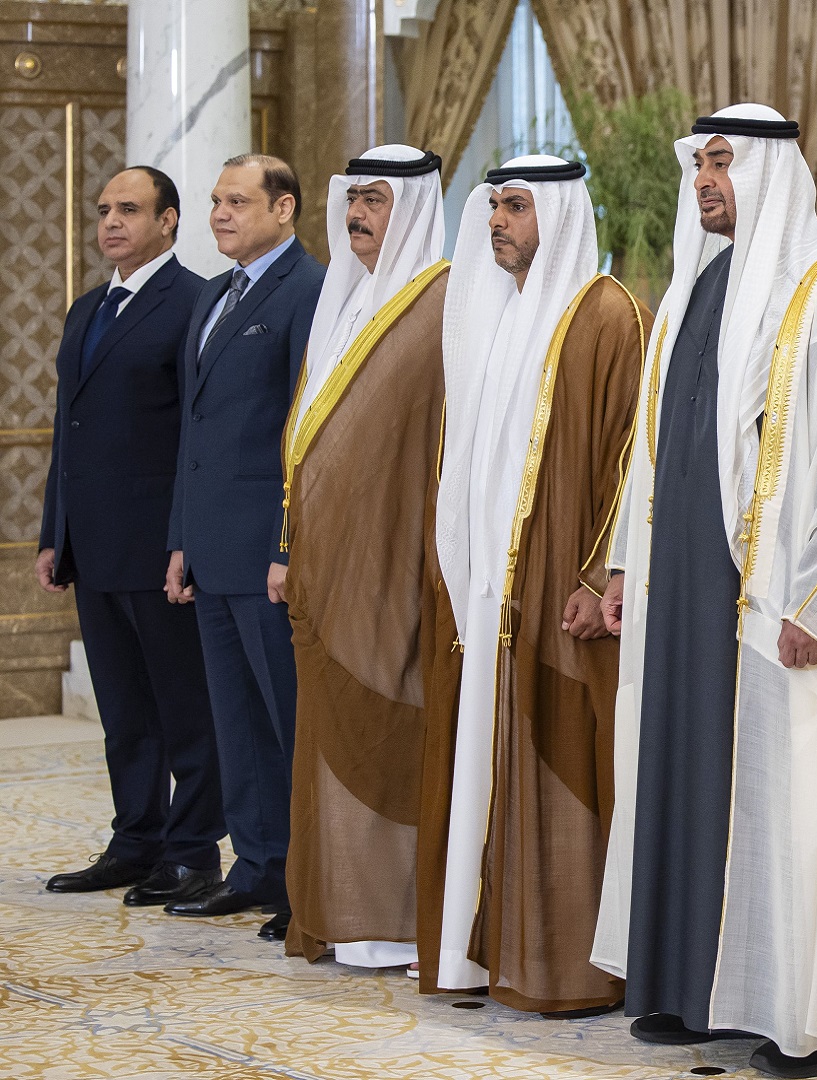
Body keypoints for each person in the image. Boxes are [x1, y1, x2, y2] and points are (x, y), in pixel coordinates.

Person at [590, 104, 817, 1080]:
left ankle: (810, 1017)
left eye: (725, 162)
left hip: (778, 603)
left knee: (793, 803)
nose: (705, 180)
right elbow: (650, 453)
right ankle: (694, 988)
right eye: (701, 163)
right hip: (683, 596)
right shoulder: (692, 292)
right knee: (689, 785)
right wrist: (620, 564)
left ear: (772, 172)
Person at [415, 155, 647, 1016]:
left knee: (565, 762)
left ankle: (575, 964)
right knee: (490, 763)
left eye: (516, 206)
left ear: (559, 211)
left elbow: (631, 463)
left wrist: (598, 576)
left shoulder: (606, 314)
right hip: (491, 597)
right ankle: (495, 952)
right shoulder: (498, 315)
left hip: (565, 593)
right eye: (493, 207)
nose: (499, 222)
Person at [280, 145, 450, 971]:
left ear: (412, 208)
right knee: (331, 736)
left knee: (397, 731)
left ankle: (396, 916)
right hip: (334, 570)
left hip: (403, 571)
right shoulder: (345, 299)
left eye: (376, 201)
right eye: (353, 199)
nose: (358, 216)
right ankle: (341, 910)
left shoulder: (445, 302)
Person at [39, 166, 223, 909]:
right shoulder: (87, 309)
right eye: (105, 209)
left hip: (160, 546)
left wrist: (186, 537)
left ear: (169, 220)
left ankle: (192, 851)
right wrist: (57, 531)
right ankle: (135, 840)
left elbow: (195, 435)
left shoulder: (194, 303)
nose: (111, 221)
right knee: (123, 712)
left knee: (184, 708)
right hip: (95, 545)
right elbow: (68, 429)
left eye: (130, 209)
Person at [162, 154, 325, 944]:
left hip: (267, 554)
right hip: (211, 549)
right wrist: (180, 541)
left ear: (284, 208)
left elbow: (303, 432)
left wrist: (287, 546)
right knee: (237, 724)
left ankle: (305, 878)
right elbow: (192, 434)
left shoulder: (309, 291)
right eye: (216, 200)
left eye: (237, 201)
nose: (220, 213)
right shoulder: (215, 296)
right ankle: (254, 866)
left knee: (285, 720)